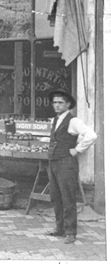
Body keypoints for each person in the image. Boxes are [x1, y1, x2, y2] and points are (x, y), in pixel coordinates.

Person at [46, 89, 96, 244]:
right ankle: (59, 228)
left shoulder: (73, 121)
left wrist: (77, 150)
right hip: (54, 162)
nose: (57, 105)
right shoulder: (56, 119)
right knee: (56, 197)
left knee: (68, 197)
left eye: (60, 102)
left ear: (68, 104)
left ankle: (71, 232)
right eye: (55, 102)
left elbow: (91, 135)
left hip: (66, 164)